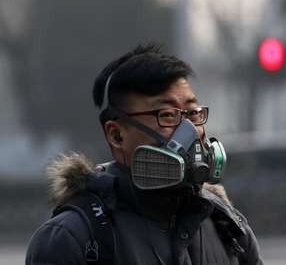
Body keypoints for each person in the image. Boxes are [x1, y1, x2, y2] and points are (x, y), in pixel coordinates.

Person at [26, 43, 264, 265]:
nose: (190, 131)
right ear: (116, 135)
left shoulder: (226, 226)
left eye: (192, 113)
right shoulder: (73, 238)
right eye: (167, 115)